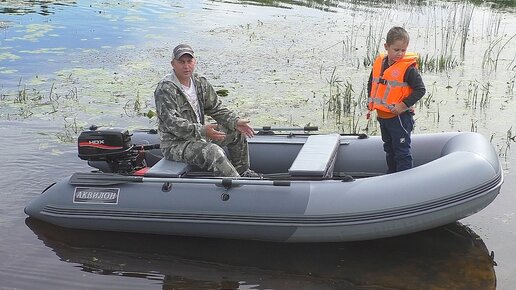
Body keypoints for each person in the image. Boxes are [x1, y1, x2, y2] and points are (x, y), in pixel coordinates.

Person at [154, 44, 260, 177]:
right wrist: (203, 131)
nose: (186, 66)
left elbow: (216, 108)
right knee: (213, 152)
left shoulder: (199, 82)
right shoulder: (165, 89)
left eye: (189, 61)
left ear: (195, 62)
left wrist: (235, 121)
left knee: (235, 132)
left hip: (198, 137)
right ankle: (238, 186)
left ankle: (243, 172)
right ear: (173, 64)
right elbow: (173, 124)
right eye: (181, 62)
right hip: (175, 145)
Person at [367, 26, 426, 173]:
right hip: (383, 117)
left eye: (403, 50)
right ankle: (392, 176)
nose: (400, 54)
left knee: (402, 152)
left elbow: (420, 90)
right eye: (396, 50)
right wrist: (370, 101)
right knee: (389, 149)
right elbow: (372, 83)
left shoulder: (408, 69)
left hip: (400, 118)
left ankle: (404, 183)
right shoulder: (380, 64)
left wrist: (402, 105)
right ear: (386, 46)